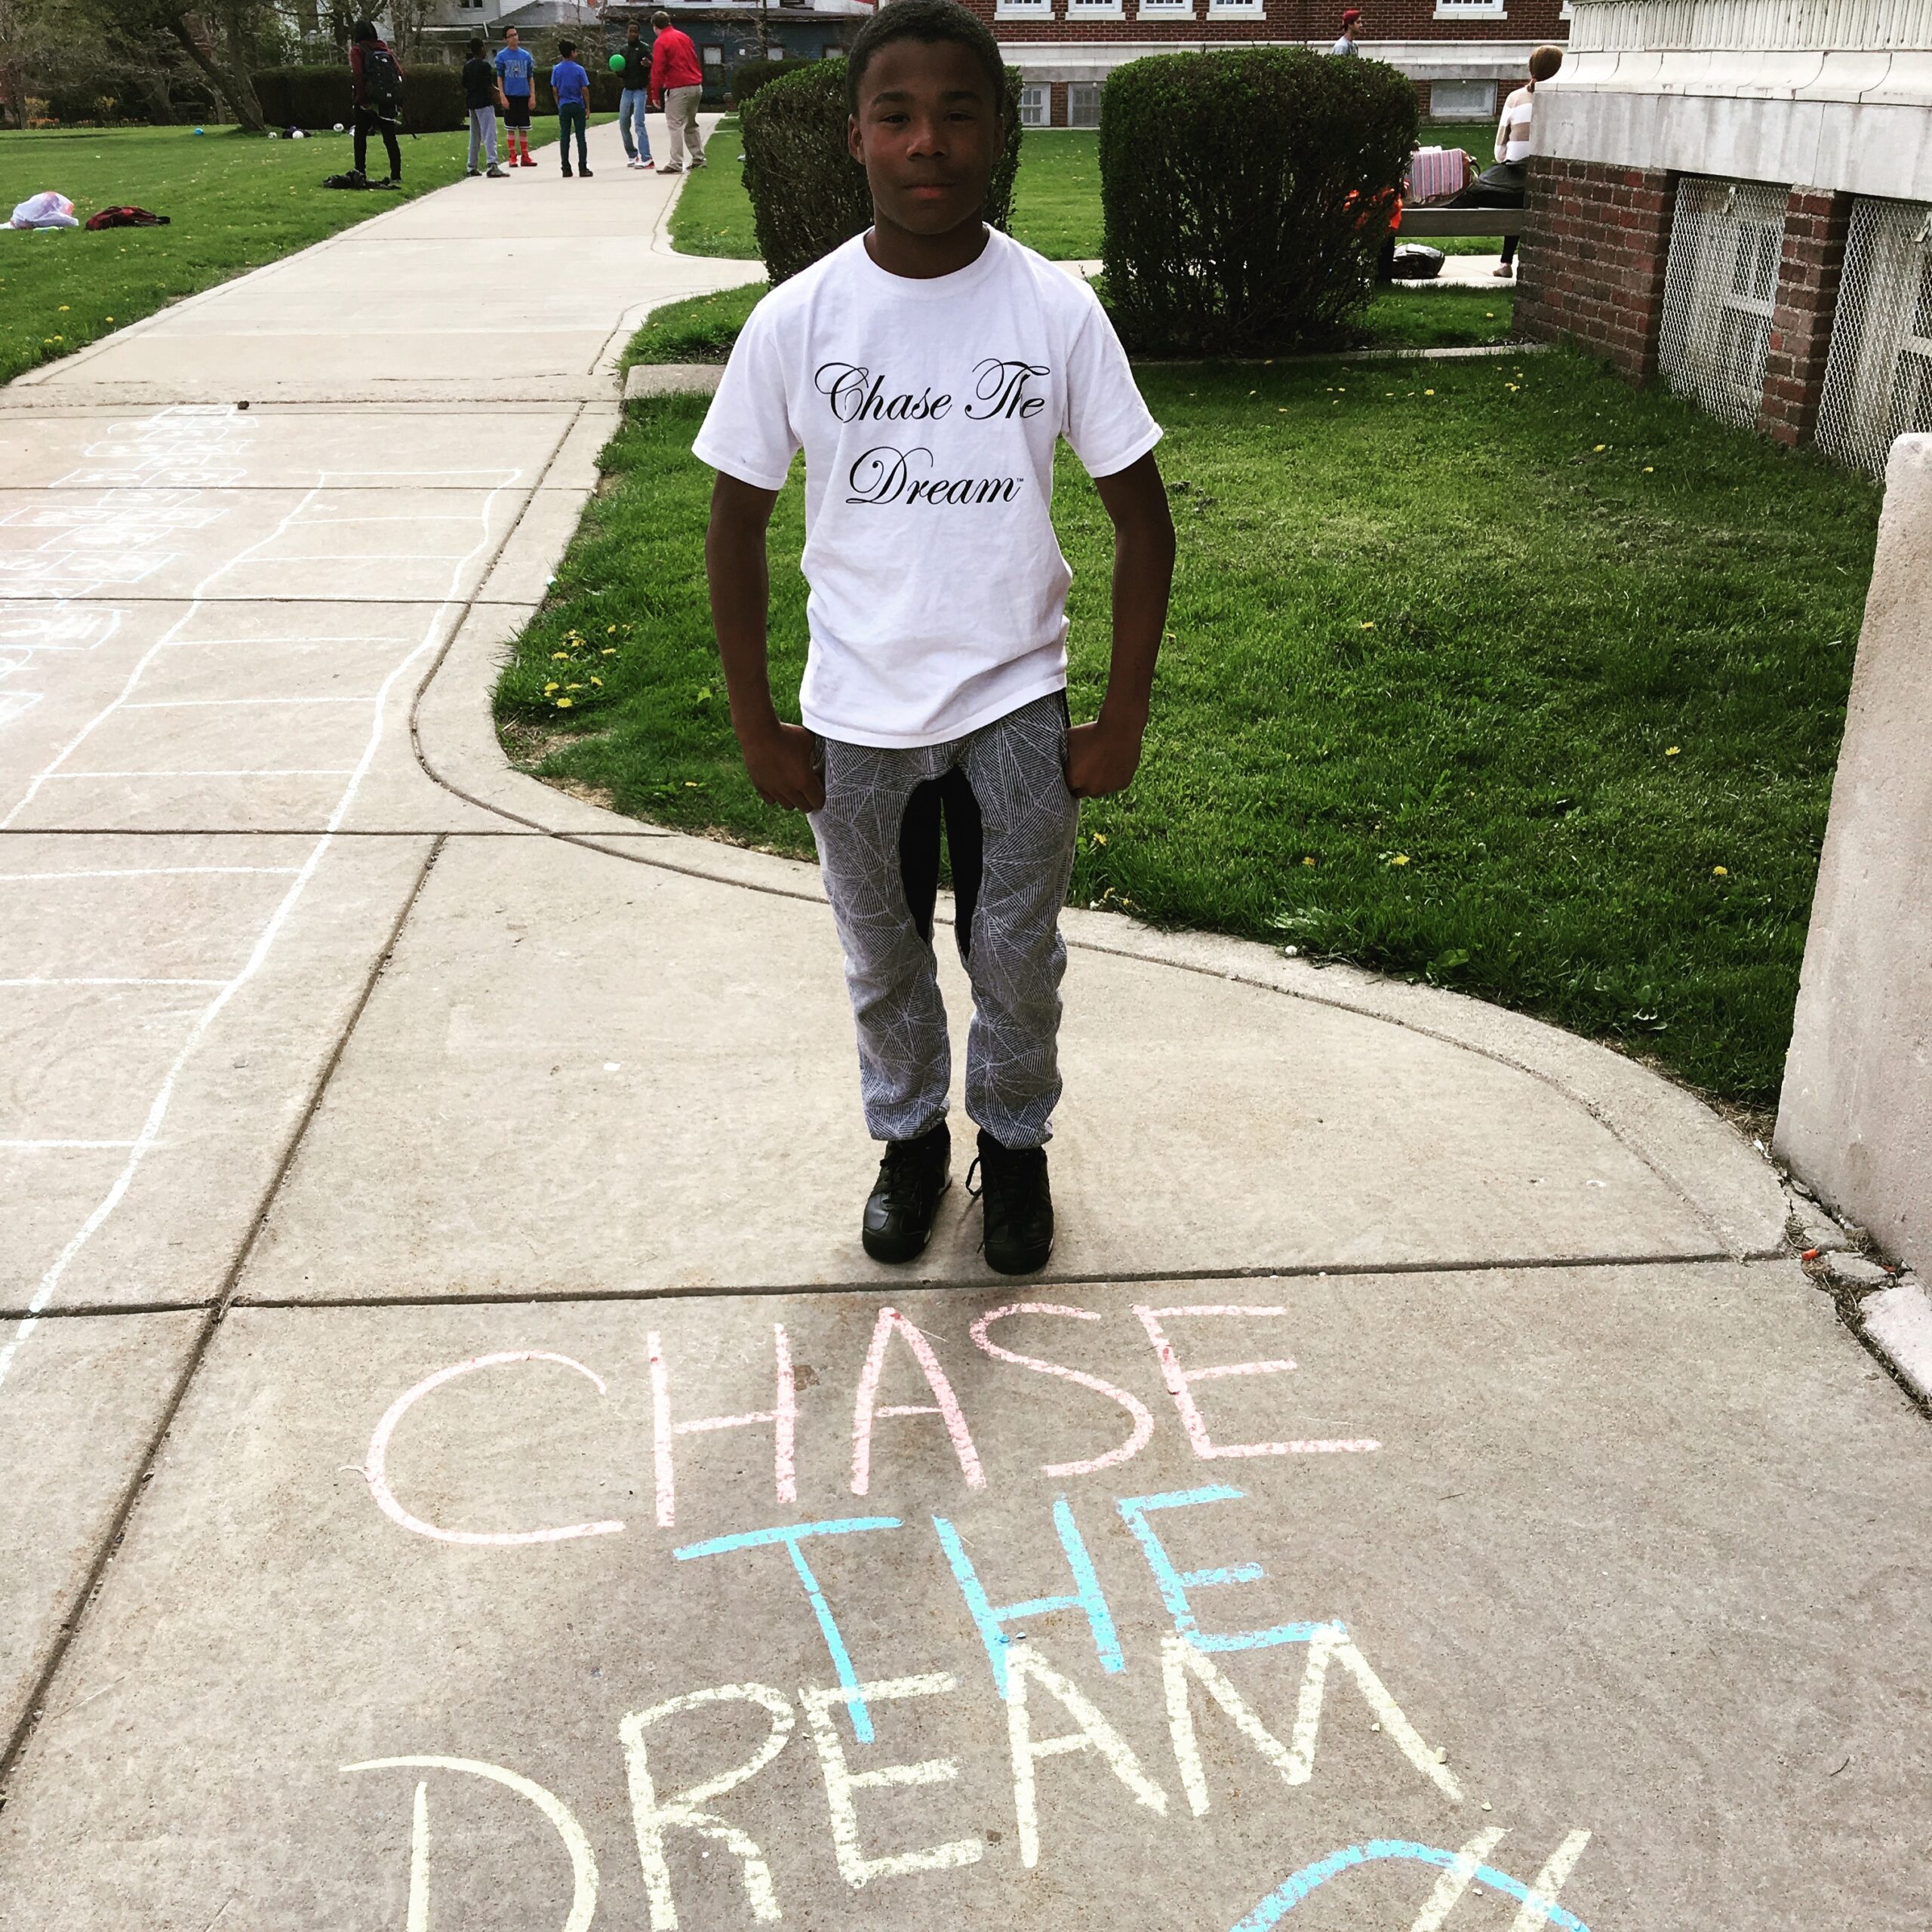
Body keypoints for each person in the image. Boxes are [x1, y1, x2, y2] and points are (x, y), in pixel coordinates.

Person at [694, 0, 1174, 1275]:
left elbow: (1144, 520)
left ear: (998, 133)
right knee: (883, 955)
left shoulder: (1053, 312)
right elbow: (734, 526)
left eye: (958, 115)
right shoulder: (800, 320)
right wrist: (757, 722)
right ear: (856, 135)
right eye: (896, 116)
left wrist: (1120, 714)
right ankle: (908, 1143)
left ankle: (1012, 1150)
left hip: (1014, 699)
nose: (928, 143)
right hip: (857, 712)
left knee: (1015, 957)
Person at [1445, 42, 1563, 278]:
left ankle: (1506, 263)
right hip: (1548, 186)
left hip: (1514, 185)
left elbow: (1500, 149)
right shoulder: (1565, 99)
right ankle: (1510, 262)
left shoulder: (1515, 98)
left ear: (1531, 68)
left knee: (1502, 191)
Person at [648, 9, 706, 175]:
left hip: (678, 87)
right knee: (691, 124)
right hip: (695, 85)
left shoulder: (661, 42)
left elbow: (658, 69)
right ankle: (698, 158)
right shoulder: (684, 37)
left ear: (655, 26)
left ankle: (676, 162)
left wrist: (655, 93)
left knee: (675, 125)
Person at [347, 18, 402, 186]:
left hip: (367, 100)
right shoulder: (384, 49)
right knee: (389, 137)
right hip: (385, 100)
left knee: (360, 137)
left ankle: (360, 171)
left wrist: (361, 98)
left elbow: (358, 74)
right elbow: (399, 74)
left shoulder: (358, 50)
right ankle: (396, 174)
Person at [462, 36, 507, 178]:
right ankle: (492, 164)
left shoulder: (467, 66)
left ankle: (471, 166)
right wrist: (499, 95)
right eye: (484, 47)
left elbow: (465, 84)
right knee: (489, 133)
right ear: (481, 49)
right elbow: (489, 86)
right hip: (484, 103)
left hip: (472, 103)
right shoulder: (485, 66)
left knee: (475, 134)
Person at [494, 25, 538, 168]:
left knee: (524, 127)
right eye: (511, 36)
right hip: (510, 95)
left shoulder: (526, 56)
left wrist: (532, 95)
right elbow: (500, 77)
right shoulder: (502, 57)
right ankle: (512, 156)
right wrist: (502, 95)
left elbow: (530, 77)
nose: (514, 38)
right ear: (505, 39)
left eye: (516, 34)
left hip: (523, 95)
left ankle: (525, 156)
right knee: (511, 127)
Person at [616, 18, 655, 171]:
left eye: (635, 31)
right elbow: (621, 71)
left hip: (640, 90)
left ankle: (647, 157)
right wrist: (619, 71)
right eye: (630, 31)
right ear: (627, 32)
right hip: (627, 90)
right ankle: (632, 154)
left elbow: (653, 64)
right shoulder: (623, 50)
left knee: (639, 123)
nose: (633, 34)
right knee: (623, 123)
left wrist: (649, 64)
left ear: (639, 33)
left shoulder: (644, 48)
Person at [552, 36, 592, 177]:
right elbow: (584, 89)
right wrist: (588, 107)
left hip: (564, 104)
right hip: (577, 104)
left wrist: (558, 104)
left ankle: (566, 167)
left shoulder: (556, 69)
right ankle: (583, 167)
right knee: (580, 136)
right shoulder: (579, 70)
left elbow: (555, 89)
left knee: (565, 136)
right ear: (572, 53)